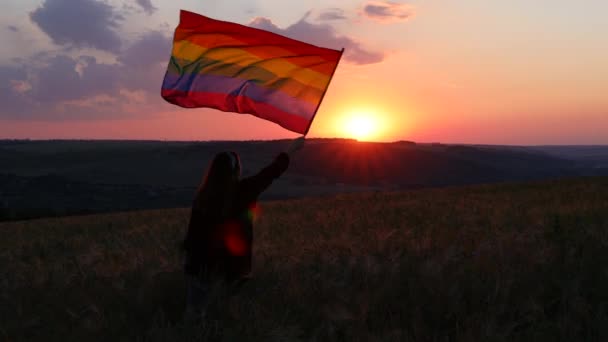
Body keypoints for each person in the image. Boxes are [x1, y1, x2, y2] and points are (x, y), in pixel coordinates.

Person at [182, 136, 306, 318]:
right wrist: (290, 151)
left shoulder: (202, 198)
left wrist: (192, 265)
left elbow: (192, 238)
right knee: (227, 318)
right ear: (235, 172)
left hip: (200, 268)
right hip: (233, 270)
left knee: (195, 316)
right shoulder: (243, 192)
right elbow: (270, 173)